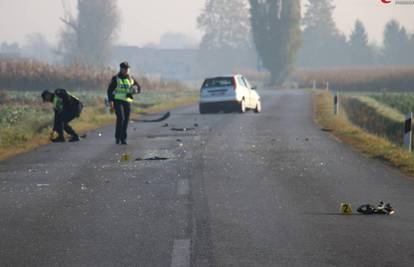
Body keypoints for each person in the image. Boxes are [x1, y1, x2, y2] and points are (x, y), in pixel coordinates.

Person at [107, 62, 141, 145]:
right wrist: (111, 102)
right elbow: (109, 91)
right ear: (121, 69)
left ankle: (123, 138)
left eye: (127, 69)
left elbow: (138, 87)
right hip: (117, 101)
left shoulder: (130, 78)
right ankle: (117, 137)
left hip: (127, 101)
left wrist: (135, 91)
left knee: (126, 120)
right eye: (124, 69)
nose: (126, 70)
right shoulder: (116, 78)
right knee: (121, 118)